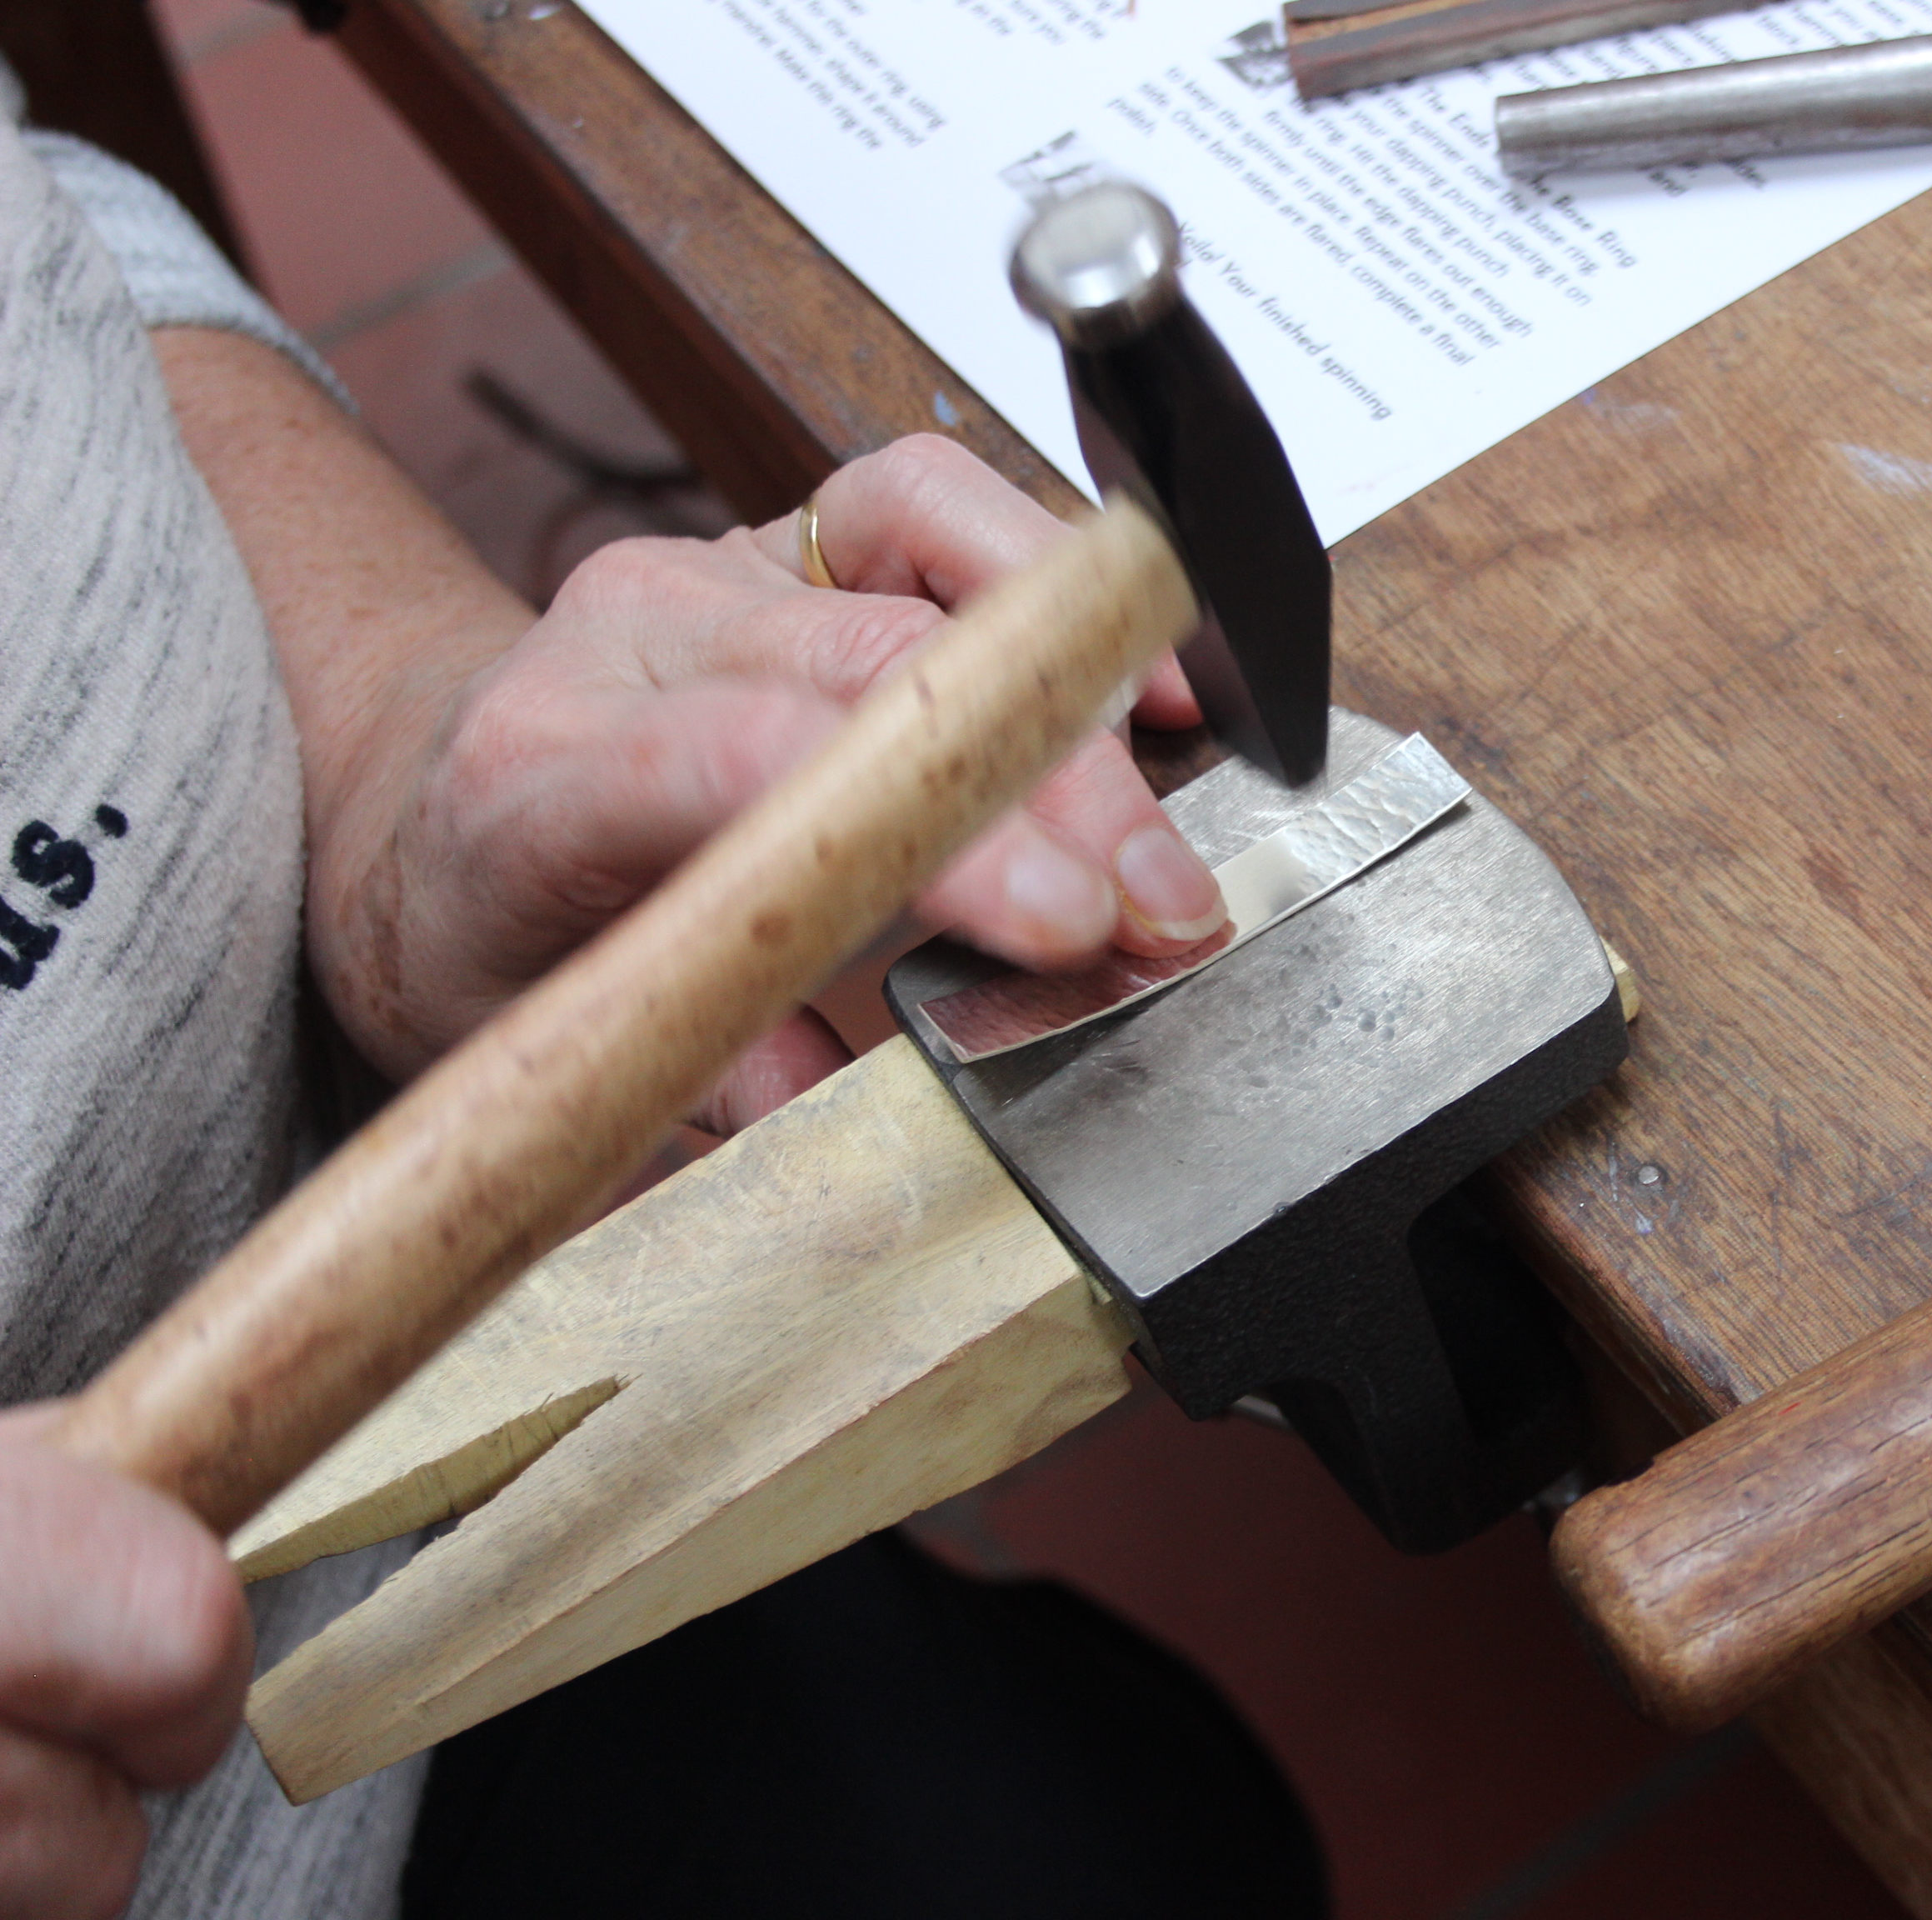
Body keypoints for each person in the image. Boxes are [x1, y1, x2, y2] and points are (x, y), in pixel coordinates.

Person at [0, 78, 1325, 1920]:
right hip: (194, 1842)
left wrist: (391, 724)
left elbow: (47, 235)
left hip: (386, 1424)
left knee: (1146, 1835)